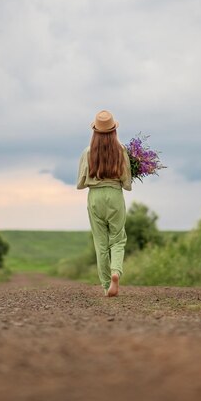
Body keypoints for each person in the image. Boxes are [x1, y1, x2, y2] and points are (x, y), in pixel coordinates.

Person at [77, 110, 132, 297]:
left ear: (95, 131)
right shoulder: (121, 150)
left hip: (95, 197)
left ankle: (106, 284)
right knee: (117, 239)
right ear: (114, 130)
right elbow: (127, 181)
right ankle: (116, 271)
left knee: (100, 244)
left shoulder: (87, 152)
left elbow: (80, 183)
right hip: (115, 195)